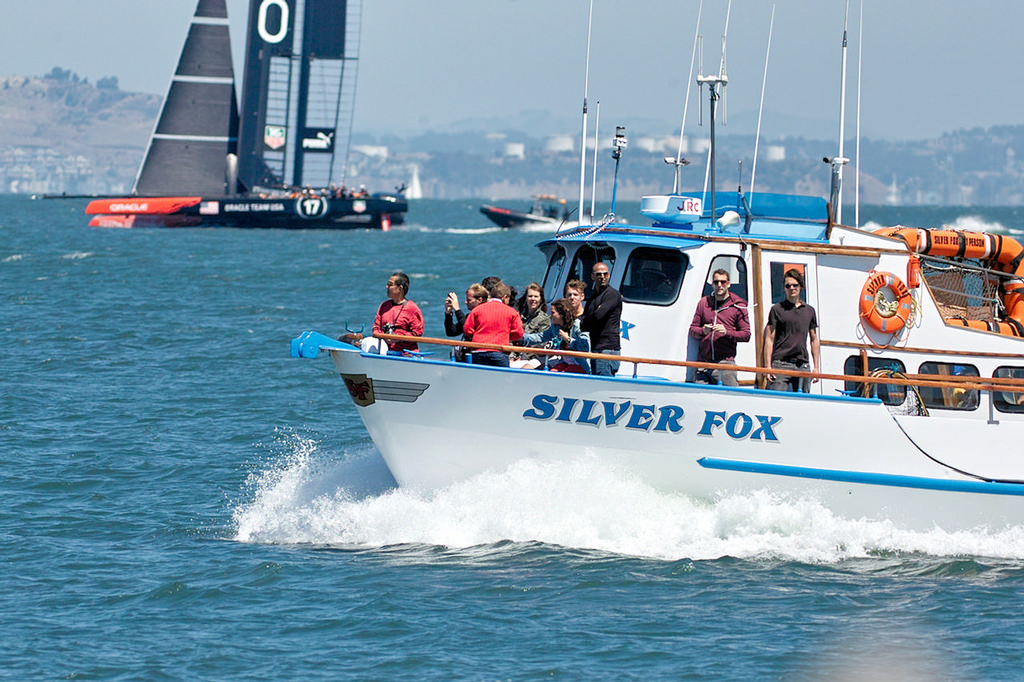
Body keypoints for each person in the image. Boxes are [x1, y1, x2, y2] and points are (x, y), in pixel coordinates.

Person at [688, 268, 751, 386]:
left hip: (725, 364)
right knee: (698, 400)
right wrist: (703, 331)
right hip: (703, 364)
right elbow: (692, 330)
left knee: (731, 399)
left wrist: (726, 332)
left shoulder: (738, 306)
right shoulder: (703, 303)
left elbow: (746, 335)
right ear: (712, 284)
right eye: (716, 282)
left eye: (723, 282)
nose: (719, 285)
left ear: (729, 284)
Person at [764, 268, 820, 392]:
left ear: (800, 287)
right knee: (776, 403)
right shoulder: (777, 309)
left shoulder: (809, 311)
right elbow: (769, 338)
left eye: (795, 285)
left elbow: (814, 339)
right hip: (780, 364)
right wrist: (767, 366)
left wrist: (816, 367)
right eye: (788, 285)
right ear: (784, 288)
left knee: (803, 405)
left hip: (803, 365)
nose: (792, 288)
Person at [520, 297, 590, 372]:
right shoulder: (555, 327)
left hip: (579, 364)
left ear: (562, 314)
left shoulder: (577, 325)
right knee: (553, 372)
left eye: (553, 313)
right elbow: (541, 337)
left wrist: (568, 340)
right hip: (565, 362)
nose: (550, 315)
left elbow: (585, 347)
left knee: (563, 374)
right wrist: (521, 337)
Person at [463, 282, 524, 367]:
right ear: (505, 297)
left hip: (478, 350)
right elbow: (518, 333)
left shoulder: (477, 310)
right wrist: (506, 337)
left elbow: (467, 329)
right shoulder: (512, 312)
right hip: (499, 352)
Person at [580, 261, 622, 376]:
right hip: (596, 348)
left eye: (605, 274)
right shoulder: (593, 298)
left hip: (608, 349)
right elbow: (584, 325)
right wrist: (593, 315)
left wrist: (591, 317)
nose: (602, 277)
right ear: (592, 276)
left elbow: (598, 316)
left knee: (604, 384)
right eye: (599, 274)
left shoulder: (612, 295)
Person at [373, 271, 424, 354]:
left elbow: (417, 333)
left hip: (406, 354)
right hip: (385, 352)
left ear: (400, 288)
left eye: (390, 284)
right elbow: (376, 328)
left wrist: (398, 338)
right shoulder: (384, 306)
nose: (387, 287)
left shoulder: (412, 309)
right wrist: (385, 337)